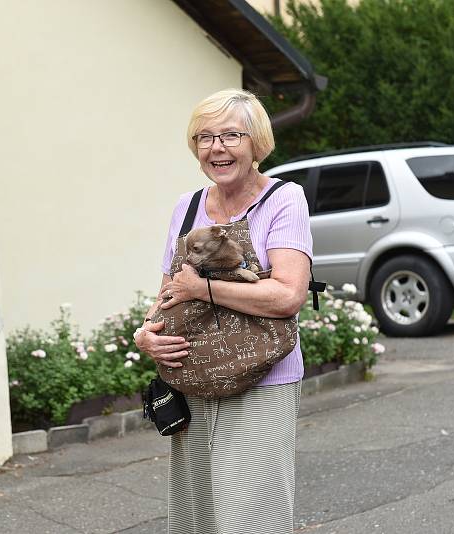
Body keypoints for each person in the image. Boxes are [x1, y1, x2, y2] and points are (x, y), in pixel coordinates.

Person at [134, 88, 313, 533]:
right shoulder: (187, 207)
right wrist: (147, 333)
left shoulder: (284, 199)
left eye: (231, 135)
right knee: (198, 519)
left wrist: (203, 288)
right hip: (194, 377)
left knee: (253, 517)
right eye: (205, 137)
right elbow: (168, 293)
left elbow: (288, 295)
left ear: (256, 143)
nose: (217, 148)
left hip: (263, 380)